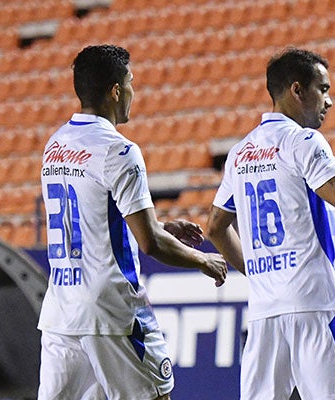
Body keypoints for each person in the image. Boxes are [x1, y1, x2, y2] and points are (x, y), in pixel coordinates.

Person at [206, 47, 335, 399]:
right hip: (315, 306)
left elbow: (216, 228)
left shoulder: (240, 152)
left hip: (265, 312)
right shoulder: (303, 141)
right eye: (322, 89)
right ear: (297, 90)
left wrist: (258, 272)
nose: (329, 101)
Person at [37, 44, 227, 400]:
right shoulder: (119, 150)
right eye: (131, 82)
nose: (133, 92)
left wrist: (158, 224)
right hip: (112, 313)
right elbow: (150, 243)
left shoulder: (56, 144)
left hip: (62, 311)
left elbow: (92, 219)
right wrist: (205, 260)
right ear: (115, 90)